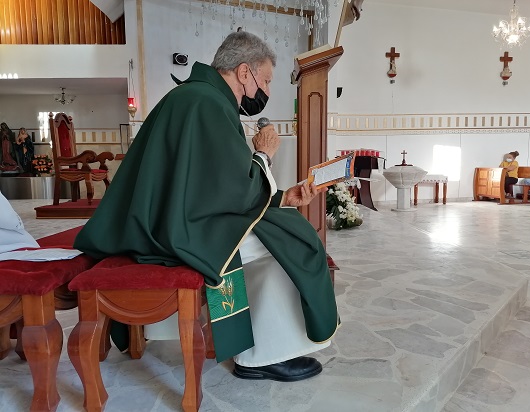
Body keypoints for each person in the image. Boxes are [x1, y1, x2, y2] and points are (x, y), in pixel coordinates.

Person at [74, 31, 338, 382]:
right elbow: (233, 191)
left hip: (167, 221)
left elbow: (212, 187)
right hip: (176, 230)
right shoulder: (207, 103)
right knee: (291, 240)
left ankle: (253, 346)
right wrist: (263, 155)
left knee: (280, 226)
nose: (269, 92)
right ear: (245, 73)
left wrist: (283, 197)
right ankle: (261, 356)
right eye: (268, 80)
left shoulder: (197, 96)